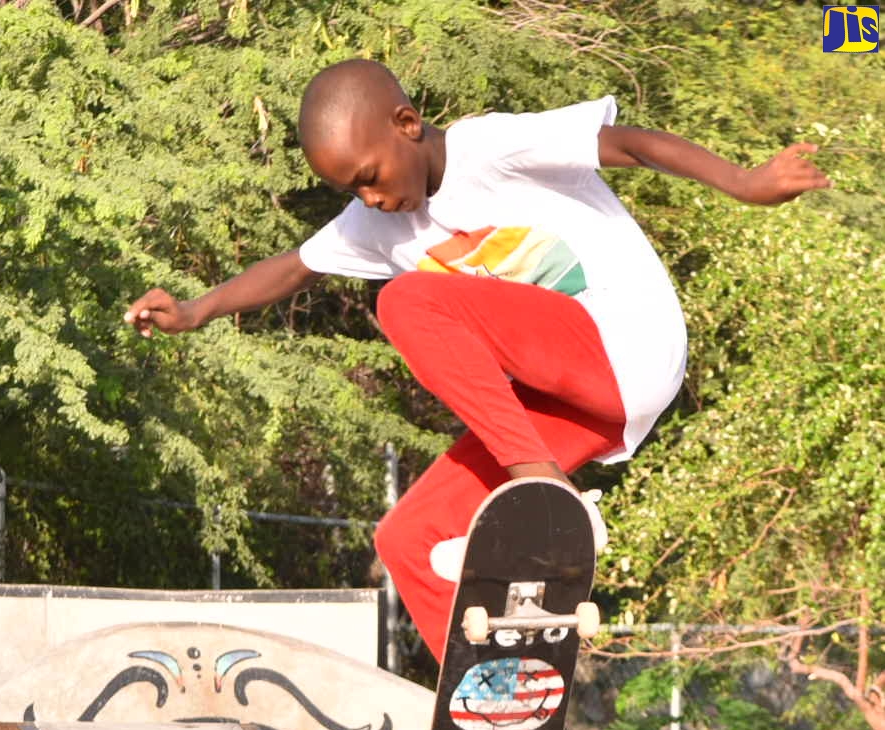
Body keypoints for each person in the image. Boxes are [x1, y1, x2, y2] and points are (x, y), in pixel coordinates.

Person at [125, 59, 830, 661]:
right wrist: (196, 310)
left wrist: (745, 183)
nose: (372, 198)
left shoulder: (491, 149)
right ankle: (509, 722)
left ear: (407, 124)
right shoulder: (375, 223)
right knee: (409, 540)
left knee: (408, 302)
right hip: (581, 408)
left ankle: (543, 492)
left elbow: (631, 144)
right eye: (353, 191)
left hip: (626, 342)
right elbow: (295, 267)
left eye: (371, 176)